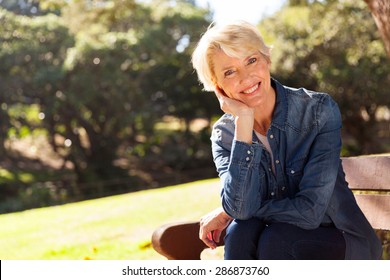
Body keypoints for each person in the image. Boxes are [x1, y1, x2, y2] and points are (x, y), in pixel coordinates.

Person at [191, 21, 382, 260]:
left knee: (273, 237)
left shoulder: (317, 111)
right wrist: (244, 122)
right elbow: (241, 210)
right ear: (217, 86)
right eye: (229, 72)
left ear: (267, 58)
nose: (246, 77)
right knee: (240, 232)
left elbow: (310, 212)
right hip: (277, 235)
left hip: (343, 239)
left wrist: (230, 212)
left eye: (251, 60)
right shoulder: (225, 134)